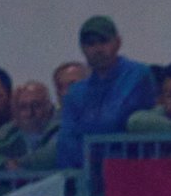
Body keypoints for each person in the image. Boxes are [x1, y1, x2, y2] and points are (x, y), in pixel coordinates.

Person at [56, 16, 157, 168]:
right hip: (86, 180)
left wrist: (90, 144)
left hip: (133, 173)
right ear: (82, 48)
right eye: (90, 44)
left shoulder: (138, 75)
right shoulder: (76, 92)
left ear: (118, 43)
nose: (97, 49)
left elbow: (118, 123)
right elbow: (66, 140)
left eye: (103, 41)